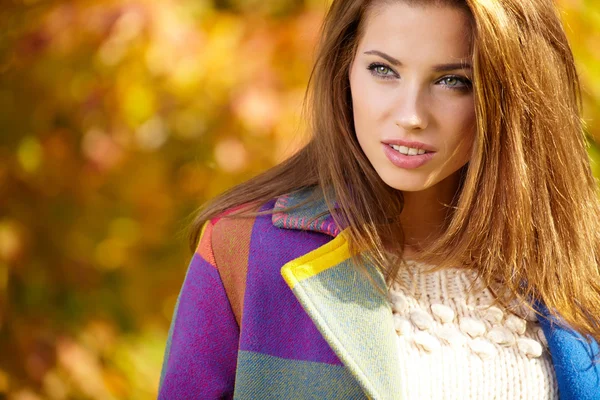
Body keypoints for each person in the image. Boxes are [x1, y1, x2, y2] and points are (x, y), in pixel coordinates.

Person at [158, 0, 600, 398]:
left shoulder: (581, 259)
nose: (410, 116)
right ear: (345, 68)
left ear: (514, 94)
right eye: (384, 70)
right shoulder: (245, 249)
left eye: (453, 81)